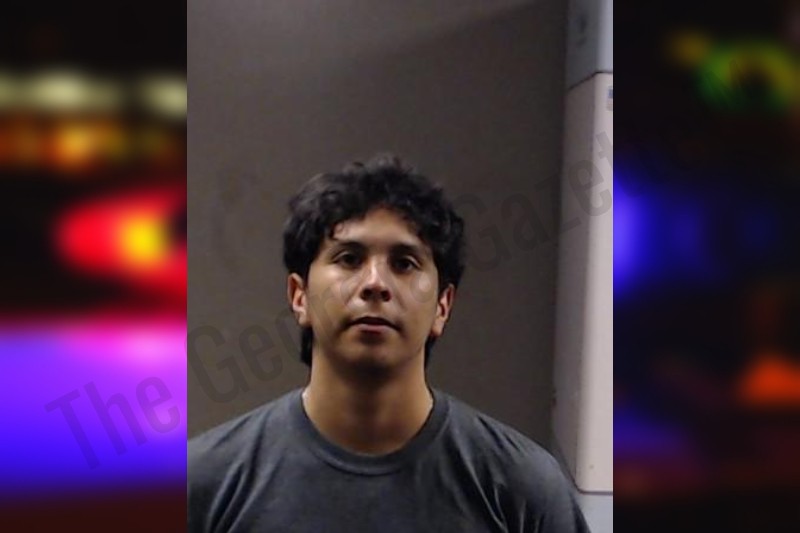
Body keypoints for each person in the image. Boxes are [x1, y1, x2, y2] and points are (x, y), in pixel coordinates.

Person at [187, 154, 591, 532]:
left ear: (442, 306)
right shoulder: (205, 483)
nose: (375, 283)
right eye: (349, 258)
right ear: (300, 296)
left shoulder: (522, 490)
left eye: (404, 263)